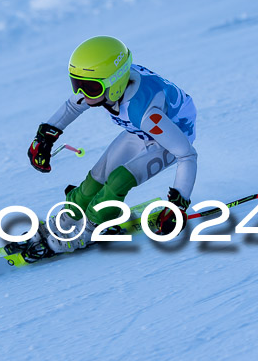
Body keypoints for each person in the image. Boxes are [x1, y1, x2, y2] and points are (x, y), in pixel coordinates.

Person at [27, 35, 197, 255]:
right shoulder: (109, 84)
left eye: (90, 88)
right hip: (140, 132)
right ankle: (68, 218)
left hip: (170, 138)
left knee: (118, 180)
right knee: (94, 180)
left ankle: (89, 230)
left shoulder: (144, 113)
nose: (82, 94)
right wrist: (45, 137)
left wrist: (178, 206)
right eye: (76, 84)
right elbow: (72, 107)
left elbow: (187, 155)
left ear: (114, 85)